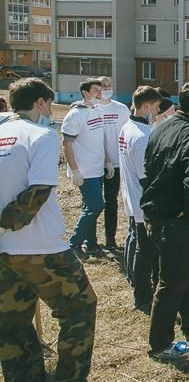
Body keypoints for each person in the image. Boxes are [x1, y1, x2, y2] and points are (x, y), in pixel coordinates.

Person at [0, 78, 111, 382]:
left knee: (11, 324)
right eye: (48, 104)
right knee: (78, 308)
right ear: (39, 103)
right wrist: (6, 224)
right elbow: (38, 191)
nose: (50, 111)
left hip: (4, 252)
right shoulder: (42, 135)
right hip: (42, 248)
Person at [141, 82, 189, 360]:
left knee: (181, 274)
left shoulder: (162, 127)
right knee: (170, 282)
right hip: (175, 219)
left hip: (155, 213)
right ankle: (160, 345)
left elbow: (149, 168)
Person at [119, 86, 167, 312]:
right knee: (146, 251)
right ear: (146, 107)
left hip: (135, 199)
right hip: (145, 202)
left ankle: (146, 291)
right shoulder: (140, 138)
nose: (158, 112)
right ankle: (143, 296)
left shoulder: (129, 128)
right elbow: (147, 177)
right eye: (156, 107)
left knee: (144, 248)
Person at [61, 79, 108, 257]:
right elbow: (67, 145)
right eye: (96, 90)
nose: (99, 94)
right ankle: (73, 244)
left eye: (100, 90)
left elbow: (100, 138)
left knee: (90, 207)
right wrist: (74, 170)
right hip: (84, 171)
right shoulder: (75, 115)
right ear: (85, 93)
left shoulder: (97, 110)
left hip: (97, 168)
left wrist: (108, 161)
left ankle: (91, 244)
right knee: (96, 206)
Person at [96, 76, 129, 251]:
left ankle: (110, 238)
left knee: (111, 202)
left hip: (116, 164)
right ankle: (90, 239)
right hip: (95, 164)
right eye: (103, 85)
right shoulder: (92, 109)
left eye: (109, 84)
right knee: (93, 203)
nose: (107, 88)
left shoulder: (121, 109)